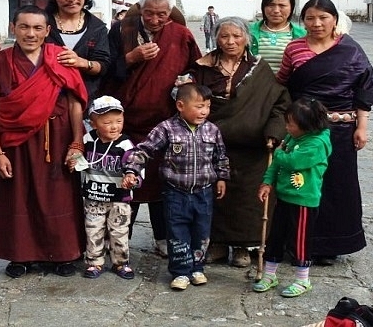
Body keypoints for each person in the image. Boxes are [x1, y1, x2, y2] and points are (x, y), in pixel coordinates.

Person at [276, 0, 373, 265]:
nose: (317, 23)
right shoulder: (294, 49)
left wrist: (362, 127)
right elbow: (284, 85)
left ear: (335, 19)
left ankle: (331, 245)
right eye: (310, 18)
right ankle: (299, 242)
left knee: (337, 187)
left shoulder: (350, 49)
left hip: (341, 130)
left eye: (323, 17)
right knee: (302, 184)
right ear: (303, 21)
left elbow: (365, 88)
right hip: (304, 131)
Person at [0, 5, 88, 278]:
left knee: (59, 195)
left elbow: (76, 102)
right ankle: (20, 255)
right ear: (13, 28)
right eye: (24, 27)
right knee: (18, 196)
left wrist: (77, 142)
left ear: (47, 31)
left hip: (58, 138)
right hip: (17, 141)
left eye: (37, 28)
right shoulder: (1, 62)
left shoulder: (60, 58)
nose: (31, 34)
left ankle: (63, 254)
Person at [181, 16, 291, 268]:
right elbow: (188, 99)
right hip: (212, 145)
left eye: (236, 36)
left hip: (252, 148)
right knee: (215, 197)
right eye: (224, 36)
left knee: (247, 200)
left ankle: (244, 246)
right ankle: (217, 244)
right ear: (216, 38)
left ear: (246, 38)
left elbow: (280, 102)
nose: (230, 41)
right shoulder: (202, 67)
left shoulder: (259, 68)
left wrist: (274, 131)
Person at [104, 0, 202, 257]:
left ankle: (163, 238)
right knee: (126, 181)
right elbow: (104, 67)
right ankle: (121, 238)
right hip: (126, 124)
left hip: (164, 123)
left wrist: (187, 80)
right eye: (149, 13)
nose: (155, 20)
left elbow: (196, 67)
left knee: (163, 182)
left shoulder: (181, 35)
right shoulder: (121, 31)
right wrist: (132, 58)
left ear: (170, 12)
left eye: (162, 14)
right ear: (140, 8)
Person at [122, 84, 230, 290]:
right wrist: (132, 170)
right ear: (180, 105)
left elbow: (220, 157)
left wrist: (222, 178)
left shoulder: (212, 130)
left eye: (207, 106)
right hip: (175, 192)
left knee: (202, 231)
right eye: (199, 106)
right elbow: (145, 150)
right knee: (177, 231)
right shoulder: (166, 128)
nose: (204, 111)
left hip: (204, 191)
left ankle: (197, 268)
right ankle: (180, 272)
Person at [0, 0, 109, 102]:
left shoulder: (97, 28)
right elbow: (23, 53)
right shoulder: (40, 23)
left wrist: (82, 63)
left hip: (84, 102)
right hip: (44, 102)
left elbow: (103, 66)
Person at [253, 98, 332, 298]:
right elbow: (276, 165)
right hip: (285, 197)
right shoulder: (291, 138)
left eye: (291, 124)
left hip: (304, 201)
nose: (286, 127)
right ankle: (270, 275)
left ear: (307, 126)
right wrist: (267, 182)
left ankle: (302, 279)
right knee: (275, 237)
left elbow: (292, 162)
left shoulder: (317, 144)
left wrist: (279, 153)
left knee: (300, 241)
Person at [67, 95, 138, 280]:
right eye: (107, 122)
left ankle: (121, 262)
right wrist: (74, 162)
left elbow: (134, 164)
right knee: (93, 228)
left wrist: (131, 176)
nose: (114, 126)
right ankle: (94, 261)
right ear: (94, 123)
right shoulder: (88, 139)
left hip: (119, 198)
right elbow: (79, 156)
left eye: (118, 121)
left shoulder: (125, 144)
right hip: (94, 195)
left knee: (119, 230)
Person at [250, 0, 307, 73]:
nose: (276, 10)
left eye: (282, 6)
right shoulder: (248, 32)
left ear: (292, 8)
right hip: (255, 85)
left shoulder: (303, 35)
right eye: (271, 5)